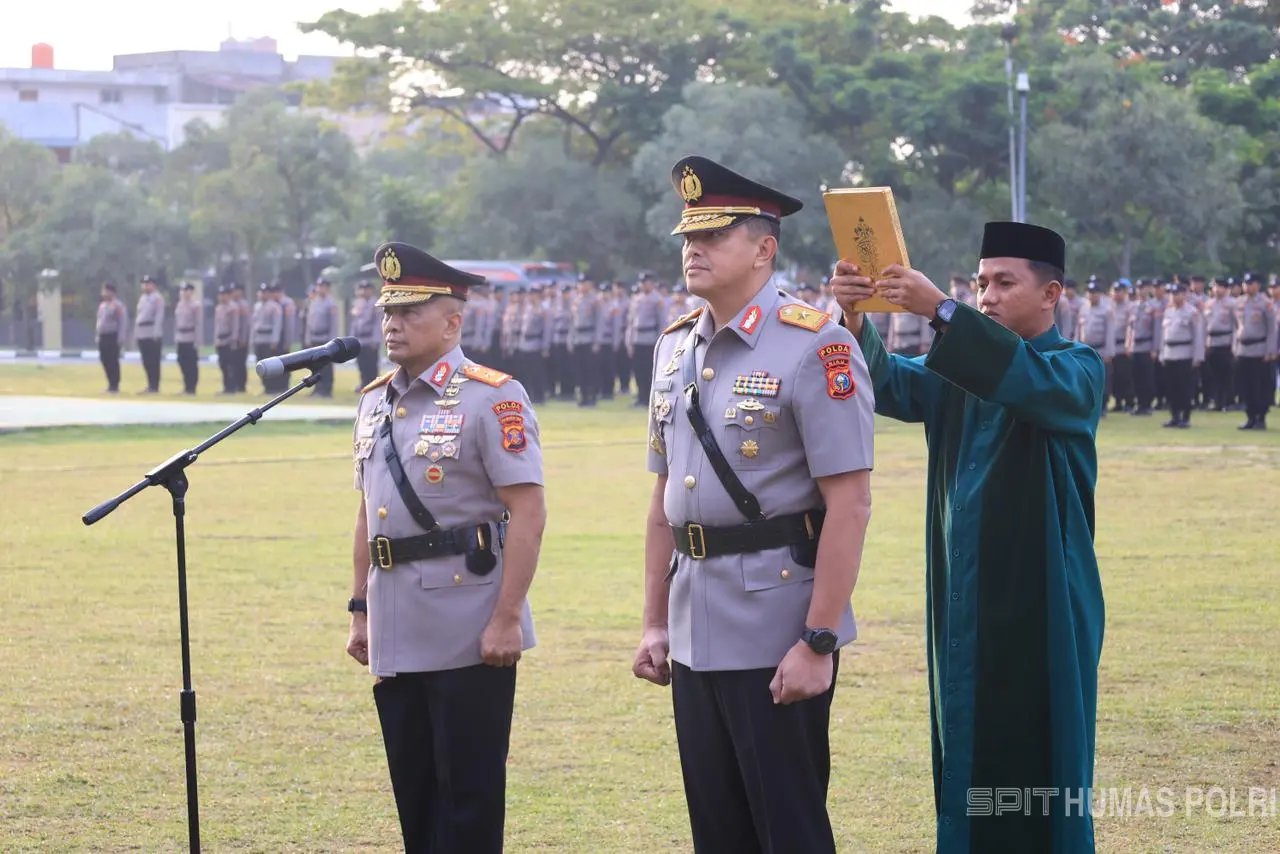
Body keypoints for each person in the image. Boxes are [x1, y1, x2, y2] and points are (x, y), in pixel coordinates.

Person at [829, 221, 1106, 854]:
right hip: (968, 597)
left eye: (1005, 283)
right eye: (979, 284)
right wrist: (852, 316)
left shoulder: (1076, 370)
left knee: (1045, 753)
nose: (987, 296)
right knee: (968, 744)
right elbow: (886, 383)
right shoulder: (956, 369)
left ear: (1051, 294)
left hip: (1047, 606)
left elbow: (1024, 381)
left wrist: (940, 309)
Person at [633, 156, 875, 854]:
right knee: (718, 831)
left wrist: (819, 641)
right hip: (693, 621)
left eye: (714, 236)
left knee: (789, 828)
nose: (693, 250)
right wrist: (654, 624)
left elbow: (850, 504)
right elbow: (662, 502)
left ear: (764, 249)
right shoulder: (674, 348)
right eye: (688, 237)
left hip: (777, 625)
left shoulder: (815, 344)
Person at [347, 241, 546, 854]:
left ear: (452, 321)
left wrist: (508, 618)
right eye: (388, 312)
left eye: (409, 312)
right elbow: (367, 511)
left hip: (468, 624)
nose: (392, 324)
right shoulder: (375, 399)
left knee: (468, 800)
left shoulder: (493, 396)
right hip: (395, 620)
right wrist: (359, 609)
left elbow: (528, 511)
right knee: (416, 795)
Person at [1233, 273, 1276, 430]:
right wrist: (1234, 347)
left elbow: (1272, 329)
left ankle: (1260, 417)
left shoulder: (1266, 303)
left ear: (1257, 285)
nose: (1247, 286)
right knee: (1245, 386)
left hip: (1260, 349)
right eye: (1245, 283)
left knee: (1260, 386)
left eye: (1251, 283)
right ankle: (1250, 416)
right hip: (1243, 350)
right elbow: (1235, 327)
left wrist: (1270, 350)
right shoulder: (1239, 303)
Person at [1159, 282, 1204, 429]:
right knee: (1171, 388)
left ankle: (1185, 417)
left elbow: (1198, 336)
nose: (1174, 296)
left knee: (1185, 388)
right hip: (1169, 353)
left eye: (1177, 293)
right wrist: (1162, 353)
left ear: (1184, 295)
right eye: (1172, 294)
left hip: (1185, 354)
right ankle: (1174, 416)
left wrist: (1197, 357)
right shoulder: (1168, 312)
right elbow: (1163, 336)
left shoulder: (1192, 312)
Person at [628, 272, 666, 407]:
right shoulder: (636, 299)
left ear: (651, 283)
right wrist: (629, 341)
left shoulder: (657, 299)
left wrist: (660, 341)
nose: (644, 285)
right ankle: (640, 396)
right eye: (642, 282)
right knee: (638, 370)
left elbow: (661, 322)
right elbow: (631, 322)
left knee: (649, 370)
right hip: (637, 338)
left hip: (651, 338)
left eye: (646, 282)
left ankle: (649, 398)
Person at [1126, 279, 1161, 416]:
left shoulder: (1153, 307)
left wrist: (1155, 348)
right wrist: (1128, 344)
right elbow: (1130, 327)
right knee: (1136, 377)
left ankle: (1147, 405)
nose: (1142, 291)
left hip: (1147, 345)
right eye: (1140, 288)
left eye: (1145, 288)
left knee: (1147, 378)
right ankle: (1139, 404)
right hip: (1135, 346)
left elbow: (1157, 329)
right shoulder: (1133, 306)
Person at [306, 277, 341, 397]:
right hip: (315, 337)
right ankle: (317, 388)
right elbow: (309, 322)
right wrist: (308, 338)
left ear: (328, 288)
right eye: (319, 286)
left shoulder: (331, 304)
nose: (320, 288)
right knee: (315, 365)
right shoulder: (314, 302)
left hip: (325, 338)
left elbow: (334, 324)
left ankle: (326, 389)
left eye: (323, 286)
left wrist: (332, 341)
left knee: (326, 366)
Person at [134, 274, 165, 394]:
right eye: (144, 284)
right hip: (142, 331)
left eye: (148, 284)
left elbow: (159, 316)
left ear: (153, 285)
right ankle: (149, 384)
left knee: (153, 361)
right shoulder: (142, 299)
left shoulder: (157, 298)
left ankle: (154, 386)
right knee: (146, 360)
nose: (145, 286)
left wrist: (156, 333)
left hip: (152, 330)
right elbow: (139, 317)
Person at [95, 282, 128, 394]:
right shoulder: (102, 306)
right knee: (104, 359)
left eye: (105, 291)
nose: (103, 293)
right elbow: (99, 321)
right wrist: (98, 335)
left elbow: (122, 322)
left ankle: (115, 385)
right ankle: (109, 383)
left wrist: (121, 337)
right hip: (103, 335)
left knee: (113, 360)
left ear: (111, 292)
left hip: (112, 335)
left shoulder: (118, 305)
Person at [351, 279, 382, 390]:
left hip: (370, 338)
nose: (364, 291)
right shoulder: (357, 303)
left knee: (371, 364)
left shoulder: (376, 304)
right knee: (361, 363)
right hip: (360, 338)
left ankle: (373, 385)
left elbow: (377, 323)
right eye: (362, 289)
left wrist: (376, 339)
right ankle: (364, 383)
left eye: (367, 289)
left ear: (371, 290)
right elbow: (354, 323)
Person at [174, 282, 202, 395]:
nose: (184, 293)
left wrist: (198, 340)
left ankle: (191, 387)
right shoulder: (179, 305)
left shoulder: (195, 305)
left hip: (191, 336)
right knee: (182, 361)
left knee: (191, 363)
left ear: (191, 292)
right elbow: (176, 323)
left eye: (186, 290)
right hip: (181, 337)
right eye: (182, 290)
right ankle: (186, 386)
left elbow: (198, 324)